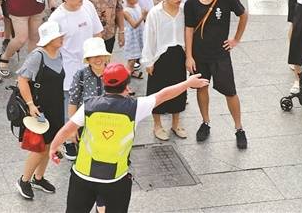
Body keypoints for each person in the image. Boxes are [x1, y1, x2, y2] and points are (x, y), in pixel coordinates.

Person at [49, 63, 209, 212]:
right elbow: (163, 95)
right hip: (115, 180)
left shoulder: (89, 105)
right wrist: (188, 83)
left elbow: (66, 129)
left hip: (82, 177)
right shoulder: (135, 107)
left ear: (104, 83)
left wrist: (53, 147)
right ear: (126, 85)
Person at [184, 0, 249, 149]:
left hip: (220, 54)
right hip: (199, 55)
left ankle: (239, 128)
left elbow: (243, 14)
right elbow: (188, 30)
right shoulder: (191, 3)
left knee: (230, 92)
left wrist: (236, 39)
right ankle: (205, 122)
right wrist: (189, 56)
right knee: (201, 88)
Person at [48, 0, 104, 159]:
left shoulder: (87, 6)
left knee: (93, 101)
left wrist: (101, 57)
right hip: (70, 69)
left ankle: (90, 136)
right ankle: (70, 141)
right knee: (70, 106)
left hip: (92, 64)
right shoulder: (57, 18)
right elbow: (51, 47)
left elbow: (98, 32)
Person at [15, 21, 65, 200]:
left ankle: (38, 178)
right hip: (40, 110)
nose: (61, 37)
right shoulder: (38, 56)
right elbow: (22, 79)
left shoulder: (59, 54)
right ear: (49, 40)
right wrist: (30, 104)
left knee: (49, 145)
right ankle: (24, 180)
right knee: (39, 148)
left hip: (57, 107)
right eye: (58, 36)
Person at [143, 0, 188, 140]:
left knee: (179, 90)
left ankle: (176, 124)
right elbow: (149, 37)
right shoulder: (155, 13)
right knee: (157, 91)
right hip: (160, 56)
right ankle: (157, 125)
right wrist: (148, 61)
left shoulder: (184, 11)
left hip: (179, 55)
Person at [122, 0, 148, 84]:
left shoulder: (136, 6)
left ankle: (131, 72)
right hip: (132, 38)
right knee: (131, 60)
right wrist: (143, 16)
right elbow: (134, 24)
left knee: (135, 58)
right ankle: (125, 81)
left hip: (138, 35)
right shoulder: (126, 11)